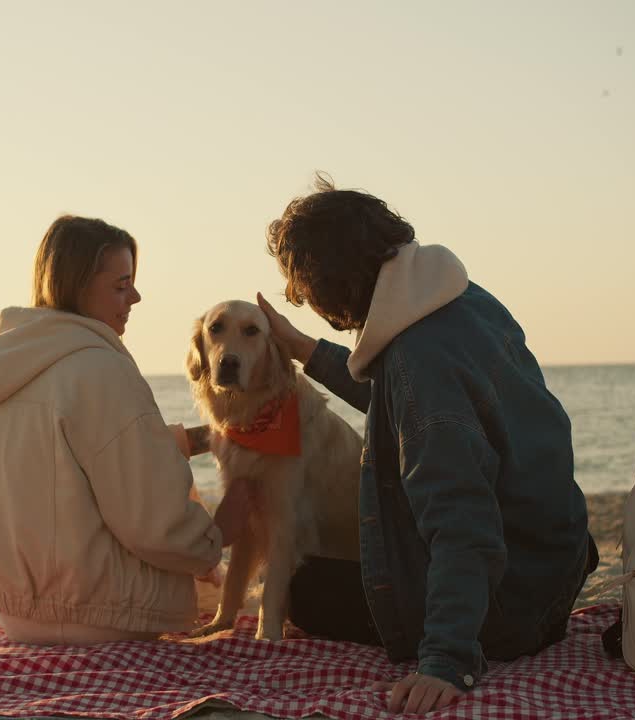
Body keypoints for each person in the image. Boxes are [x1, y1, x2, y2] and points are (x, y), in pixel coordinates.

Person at [255, 176, 597, 713]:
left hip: (512, 609)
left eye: (305, 293)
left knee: (304, 588)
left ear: (327, 286)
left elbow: (462, 522)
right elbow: (399, 401)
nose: (310, 307)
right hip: (555, 568)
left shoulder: (419, 361)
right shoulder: (457, 299)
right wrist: (303, 349)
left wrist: (446, 660)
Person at [0, 215, 223, 645]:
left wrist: (206, 438)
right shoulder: (101, 367)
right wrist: (215, 539)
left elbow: (78, 458)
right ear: (78, 286)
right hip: (102, 615)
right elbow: (152, 522)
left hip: (16, 614)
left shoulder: (10, 364)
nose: (136, 297)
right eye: (122, 286)